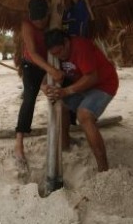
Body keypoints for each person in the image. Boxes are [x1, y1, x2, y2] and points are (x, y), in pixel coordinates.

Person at [41, 28, 119, 172]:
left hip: (104, 84)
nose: (59, 56)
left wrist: (66, 91)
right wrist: (44, 86)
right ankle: (65, 144)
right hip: (83, 85)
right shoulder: (54, 53)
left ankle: (103, 168)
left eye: (60, 52)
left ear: (66, 42)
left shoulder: (81, 47)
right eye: (54, 54)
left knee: (84, 116)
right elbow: (47, 74)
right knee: (61, 105)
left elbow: (92, 77)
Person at [15, 0, 63, 166]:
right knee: (29, 100)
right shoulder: (26, 25)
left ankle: (65, 136)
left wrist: (51, 70)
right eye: (35, 21)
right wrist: (51, 71)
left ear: (47, 15)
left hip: (48, 63)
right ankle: (19, 143)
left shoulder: (54, 20)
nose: (38, 24)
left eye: (41, 20)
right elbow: (33, 53)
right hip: (30, 65)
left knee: (60, 94)